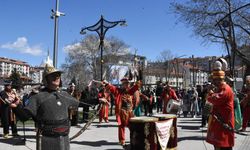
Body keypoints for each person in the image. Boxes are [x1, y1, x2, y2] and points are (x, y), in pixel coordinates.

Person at [11, 64, 79, 150]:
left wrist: (97, 101)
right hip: (47, 139)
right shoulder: (37, 96)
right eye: (53, 75)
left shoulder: (64, 95)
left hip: (64, 138)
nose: (56, 77)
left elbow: (81, 103)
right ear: (46, 79)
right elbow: (24, 116)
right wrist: (15, 107)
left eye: (58, 75)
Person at [103, 78, 141, 146]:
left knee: (132, 126)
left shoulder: (130, 91)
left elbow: (136, 87)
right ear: (122, 84)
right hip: (122, 111)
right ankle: (122, 140)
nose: (126, 85)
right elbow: (111, 87)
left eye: (127, 83)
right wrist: (106, 84)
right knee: (121, 126)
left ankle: (134, 139)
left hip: (130, 112)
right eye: (125, 83)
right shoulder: (118, 91)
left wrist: (139, 80)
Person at [206, 60, 234, 150]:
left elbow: (215, 99)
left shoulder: (226, 89)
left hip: (224, 122)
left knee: (223, 146)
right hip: (219, 122)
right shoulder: (220, 88)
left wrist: (210, 93)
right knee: (218, 145)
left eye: (214, 80)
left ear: (219, 80)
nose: (213, 82)